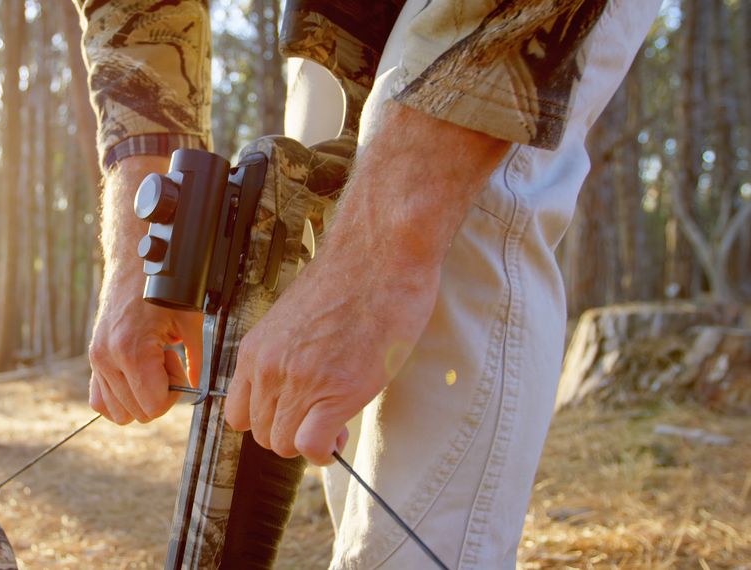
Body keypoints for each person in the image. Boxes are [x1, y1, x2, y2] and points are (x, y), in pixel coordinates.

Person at [72, 1, 662, 567]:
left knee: (459, 223)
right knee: (324, 274)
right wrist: (140, 250)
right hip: (326, 14)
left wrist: (390, 247)